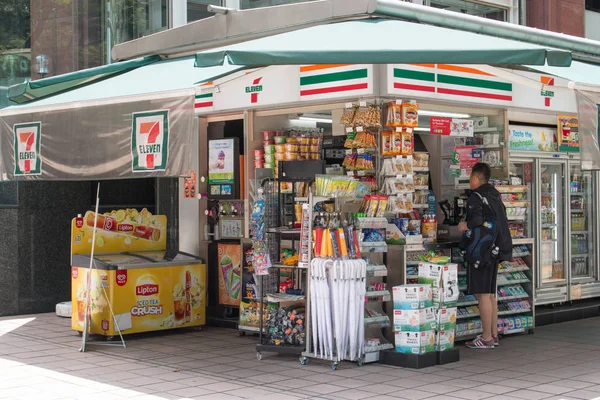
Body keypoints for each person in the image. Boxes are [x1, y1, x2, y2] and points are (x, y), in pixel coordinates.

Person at [458, 162, 512, 349]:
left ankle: (486, 337)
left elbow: (476, 220)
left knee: (482, 296)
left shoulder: (476, 196)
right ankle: (494, 335)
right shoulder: (494, 194)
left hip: (481, 251)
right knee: (490, 295)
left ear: (475, 177)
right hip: (495, 249)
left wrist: (463, 226)